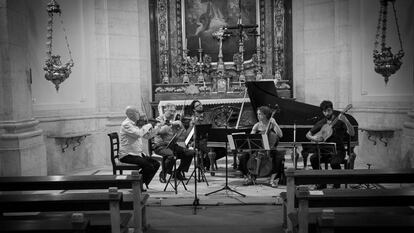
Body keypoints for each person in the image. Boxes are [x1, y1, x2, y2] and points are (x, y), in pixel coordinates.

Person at [306, 100, 355, 189]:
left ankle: (336, 185)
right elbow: (308, 135)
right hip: (325, 151)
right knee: (313, 159)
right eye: (324, 111)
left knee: (334, 163)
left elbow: (352, 133)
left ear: (332, 109)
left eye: (328, 110)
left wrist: (346, 121)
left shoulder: (340, 121)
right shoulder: (322, 122)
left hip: (338, 151)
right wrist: (314, 138)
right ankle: (321, 182)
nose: (327, 113)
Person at [238, 106, 283, 186]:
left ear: (266, 115)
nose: (258, 116)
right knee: (243, 157)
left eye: (260, 114)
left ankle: (273, 179)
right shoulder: (257, 125)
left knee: (279, 157)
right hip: (257, 150)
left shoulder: (272, 124)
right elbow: (251, 138)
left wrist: (275, 123)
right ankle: (249, 177)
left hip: (270, 150)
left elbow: (280, 135)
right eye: (257, 114)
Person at [119, 106, 160, 190]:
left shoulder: (135, 123)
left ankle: (141, 183)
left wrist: (156, 128)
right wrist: (148, 125)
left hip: (137, 154)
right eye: (137, 112)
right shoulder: (126, 124)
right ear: (131, 114)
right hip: (127, 155)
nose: (139, 114)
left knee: (156, 164)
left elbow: (147, 136)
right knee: (148, 166)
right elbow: (138, 134)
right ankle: (136, 184)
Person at [153, 103, 194, 182]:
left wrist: (181, 128)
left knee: (191, 153)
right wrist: (171, 125)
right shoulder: (159, 119)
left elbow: (182, 136)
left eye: (174, 111)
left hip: (172, 145)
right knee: (170, 155)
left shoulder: (175, 120)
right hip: (160, 146)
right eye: (170, 111)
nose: (172, 113)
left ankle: (177, 172)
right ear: (165, 110)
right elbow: (159, 132)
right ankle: (163, 173)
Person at [187, 100, 227, 174]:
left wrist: (221, 128)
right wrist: (192, 125)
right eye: (197, 105)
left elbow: (213, 126)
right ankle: (208, 165)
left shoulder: (207, 116)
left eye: (200, 104)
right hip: (200, 140)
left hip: (211, 138)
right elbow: (190, 134)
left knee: (224, 151)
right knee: (211, 150)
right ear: (194, 109)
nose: (200, 106)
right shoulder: (193, 119)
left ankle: (205, 162)